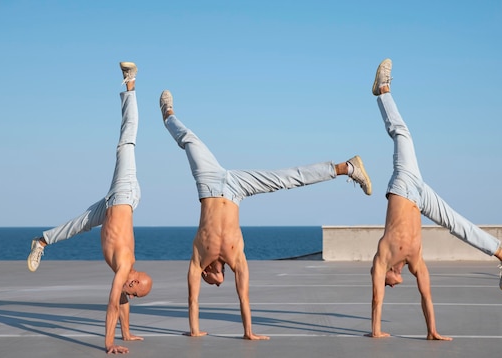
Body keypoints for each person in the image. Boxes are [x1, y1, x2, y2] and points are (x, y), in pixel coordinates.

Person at [158, 89, 372, 340]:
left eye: (215, 280)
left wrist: (194, 329)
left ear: (205, 272)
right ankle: (346, 168)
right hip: (237, 190)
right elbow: (244, 296)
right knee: (286, 179)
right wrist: (249, 332)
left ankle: (167, 113)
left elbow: (192, 299)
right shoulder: (236, 257)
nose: (220, 279)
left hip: (209, 183)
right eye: (221, 280)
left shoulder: (197, 257)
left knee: (189, 140)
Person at [367, 58, 502, 340]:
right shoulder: (415, 263)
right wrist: (432, 331)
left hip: (404, 185)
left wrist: (375, 331)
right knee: (458, 224)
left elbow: (376, 299)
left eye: (387, 283)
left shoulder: (382, 257)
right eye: (389, 286)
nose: (390, 286)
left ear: (386, 273)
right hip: (422, 196)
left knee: (402, 134)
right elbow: (426, 296)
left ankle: (383, 90)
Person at [26, 62, 152, 354]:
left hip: (111, 206)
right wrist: (109, 343)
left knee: (81, 223)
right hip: (123, 195)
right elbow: (111, 303)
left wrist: (128, 334)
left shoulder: (126, 276)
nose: (128, 291)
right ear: (133, 281)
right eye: (133, 288)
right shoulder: (123, 267)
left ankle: (41, 240)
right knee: (127, 141)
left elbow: (121, 302)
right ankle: (130, 84)